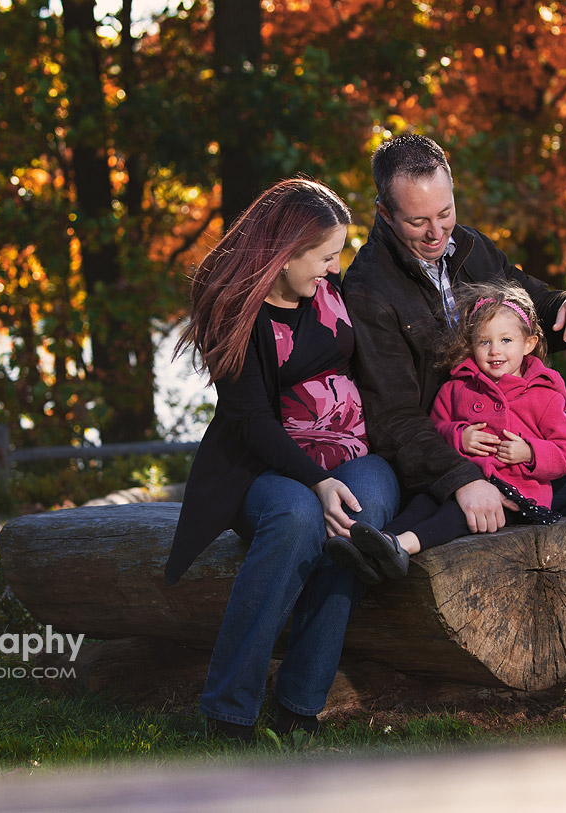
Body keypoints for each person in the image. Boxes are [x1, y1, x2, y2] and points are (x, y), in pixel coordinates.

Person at [341, 133, 566, 711]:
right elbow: (393, 421)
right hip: (444, 459)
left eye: (446, 213)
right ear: (384, 215)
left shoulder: (471, 250)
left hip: (512, 445)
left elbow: (533, 306)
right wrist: (463, 477)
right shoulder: (368, 290)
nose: (438, 234)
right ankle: (565, 604)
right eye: (418, 223)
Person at [164, 177, 400, 742]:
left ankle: (300, 703)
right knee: (297, 521)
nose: (332, 267)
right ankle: (228, 711)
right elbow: (252, 423)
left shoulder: (334, 290)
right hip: (266, 469)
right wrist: (316, 481)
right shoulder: (237, 315)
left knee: (356, 522)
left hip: (357, 453)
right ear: (285, 253)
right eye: (323, 256)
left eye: (336, 254)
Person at [326, 282, 566, 582]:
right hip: (462, 480)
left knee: (457, 516)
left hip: (513, 494)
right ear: (470, 344)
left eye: (506, 340)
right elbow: (435, 429)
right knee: (425, 503)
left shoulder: (543, 394)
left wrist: (530, 452)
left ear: (528, 344)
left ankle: (401, 547)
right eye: (484, 342)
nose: (495, 350)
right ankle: (375, 545)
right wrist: (459, 435)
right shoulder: (458, 386)